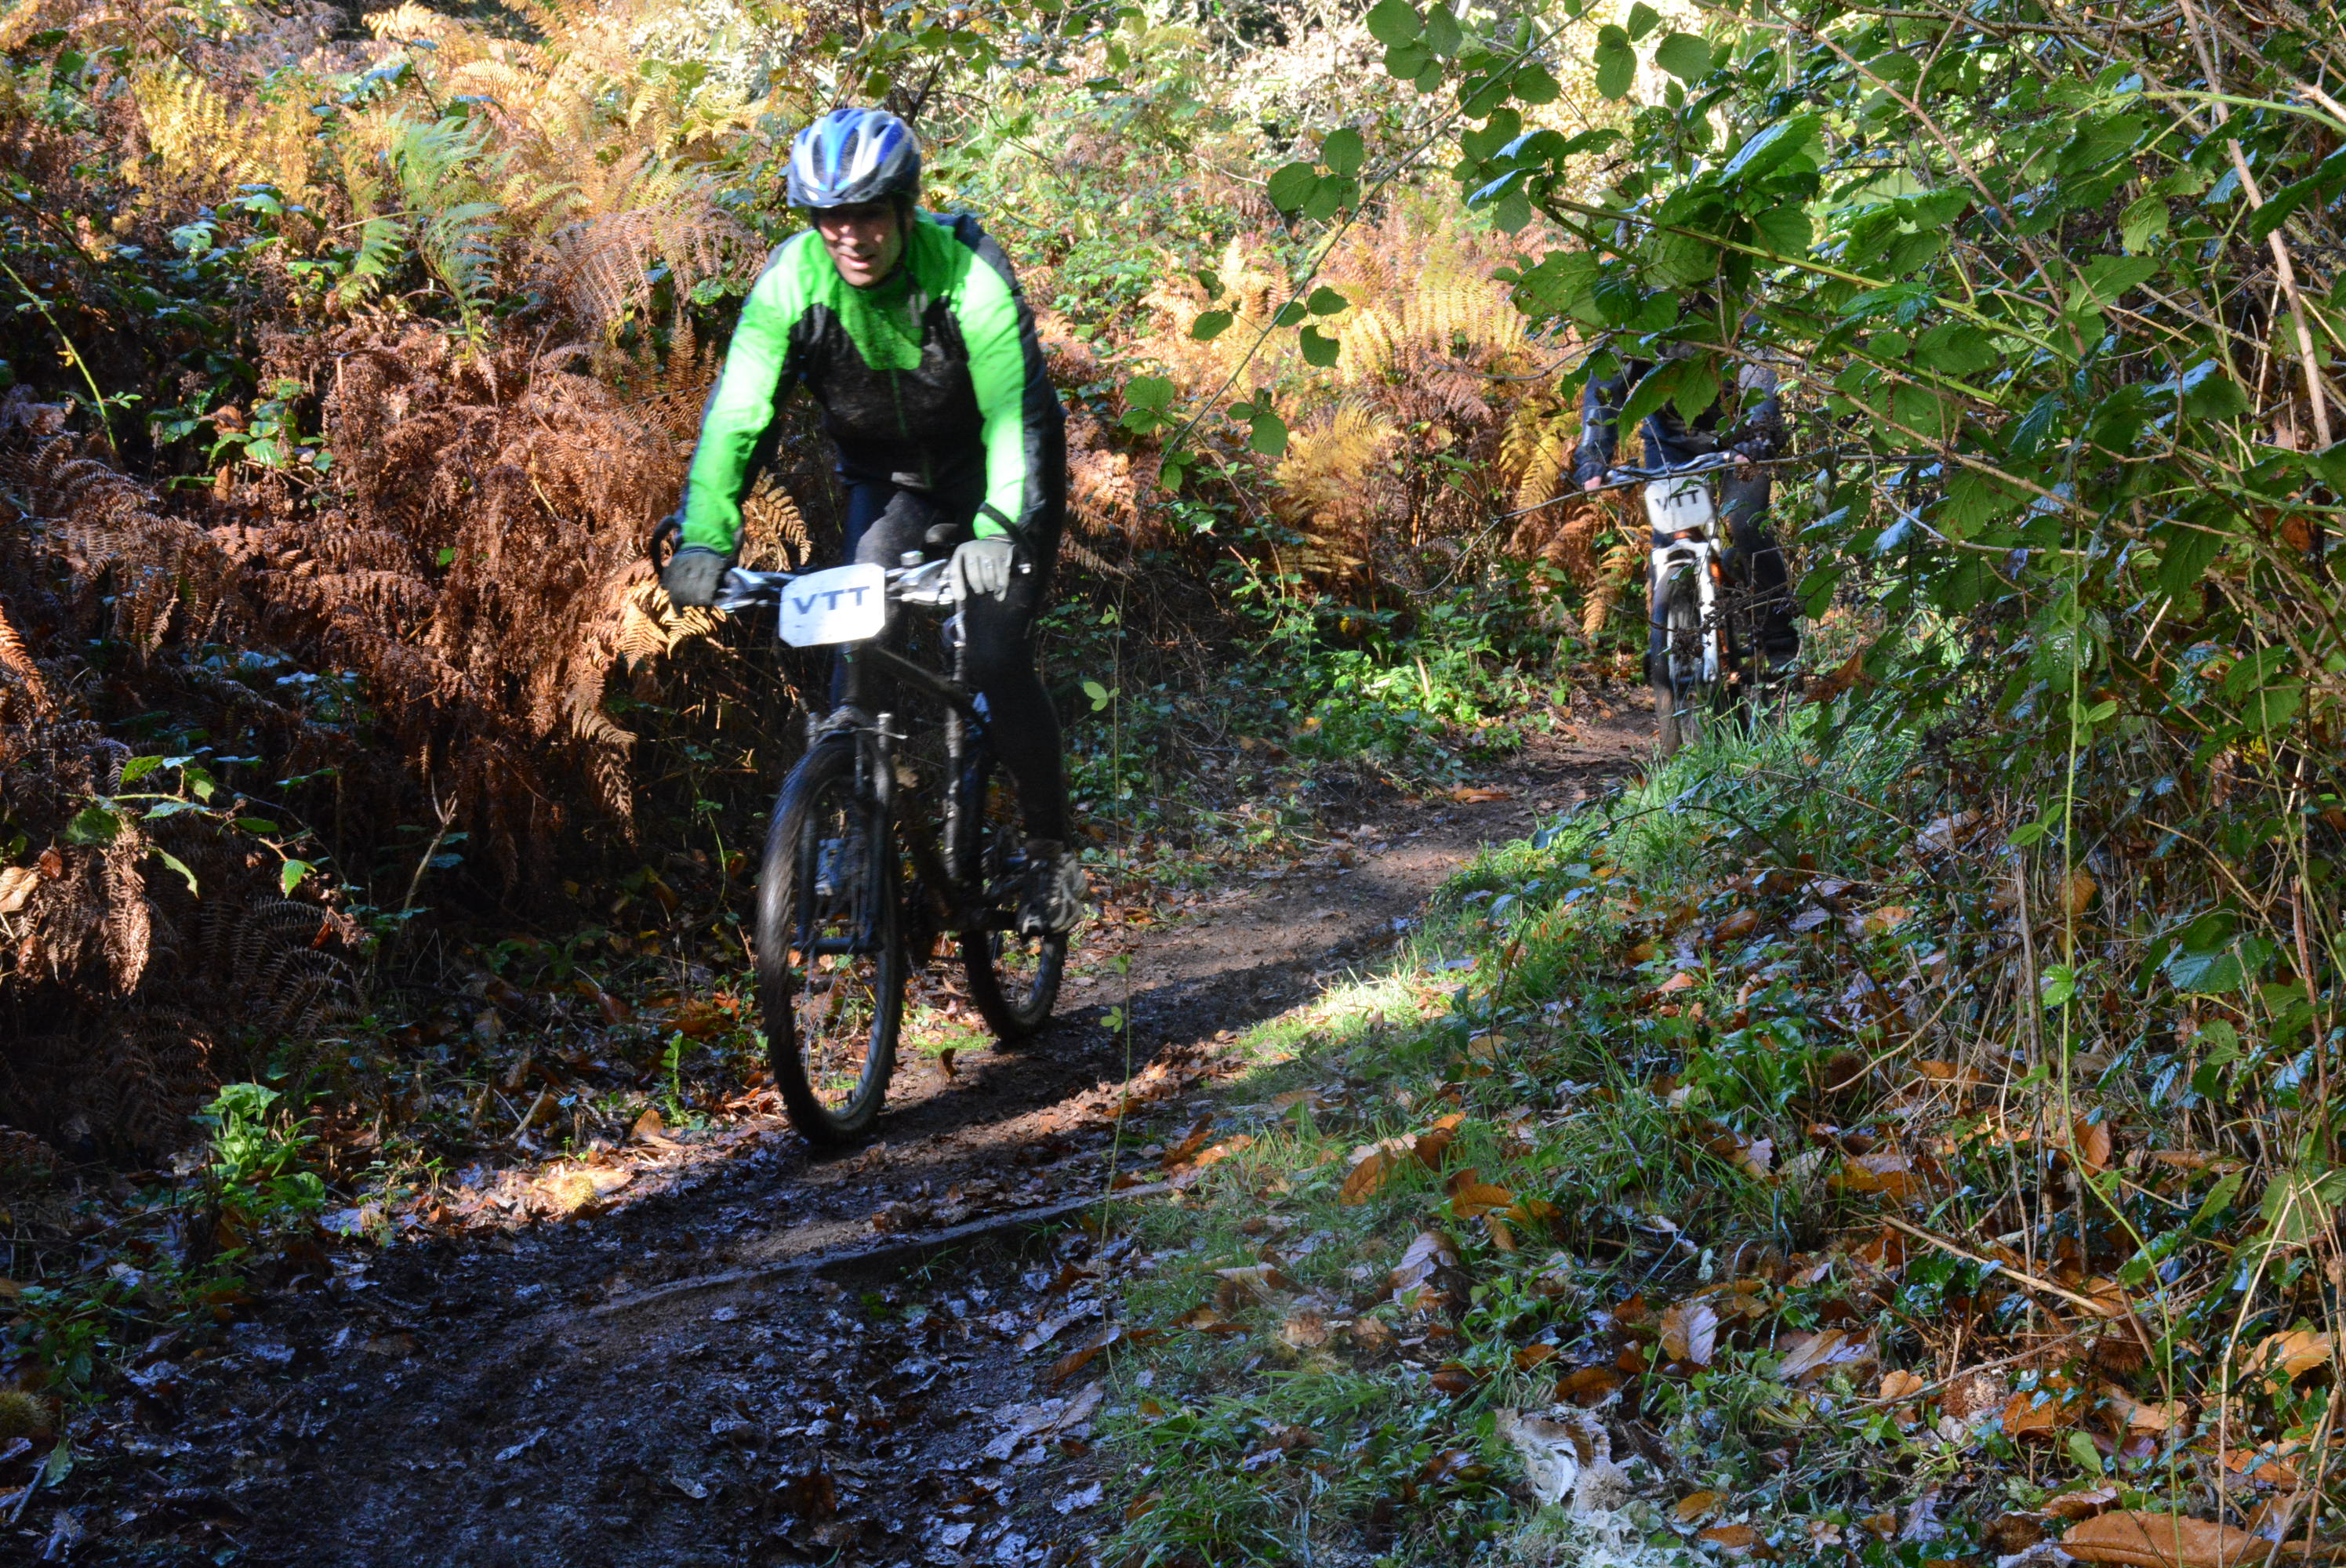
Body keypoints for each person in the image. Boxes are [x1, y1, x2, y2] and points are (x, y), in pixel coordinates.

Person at [660, 107, 1084, 935]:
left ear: (904, 207)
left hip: (997, 476)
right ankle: (856, 835)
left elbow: (1015, 415)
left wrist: (1000, 529)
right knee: (854, 635)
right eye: (830, 217)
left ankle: (1048, 852)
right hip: (888, 483)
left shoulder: (966, 269)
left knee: (994, 652)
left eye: (868, 213)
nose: (850, 235)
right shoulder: (793, 282)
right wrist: (707, 535)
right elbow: (740, 413)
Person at [1572, 347, 1799, 673]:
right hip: (1670, 440)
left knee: (1745, 523)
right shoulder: (1643, 323)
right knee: (1669, 538)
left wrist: (1760, 435)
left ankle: (1780, 643)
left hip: (1741, 435)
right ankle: (1671, 643)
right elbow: (1607, 383)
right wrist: (1592, 457)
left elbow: (1759, 374)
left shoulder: (1732, 316)